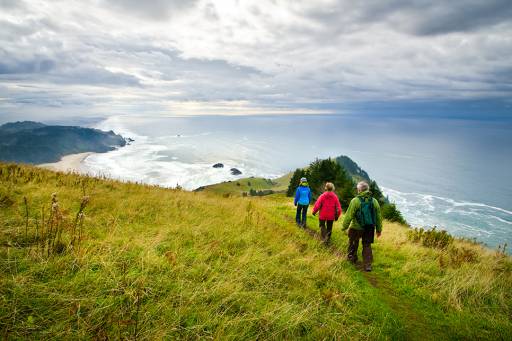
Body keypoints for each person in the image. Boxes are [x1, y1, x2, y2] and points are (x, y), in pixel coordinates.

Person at [342, 181, 382, 272]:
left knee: (353, 242)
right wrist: (379, 229)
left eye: (357, 189)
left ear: (359, 190)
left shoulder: (355, 201)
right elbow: (379, 217)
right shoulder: (374, 201)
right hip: (370, 227)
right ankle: (368, 265)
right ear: (367, 190)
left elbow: (349, 215)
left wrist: (344, 226)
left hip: (356, 227)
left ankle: (352, 258)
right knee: (367, 245)